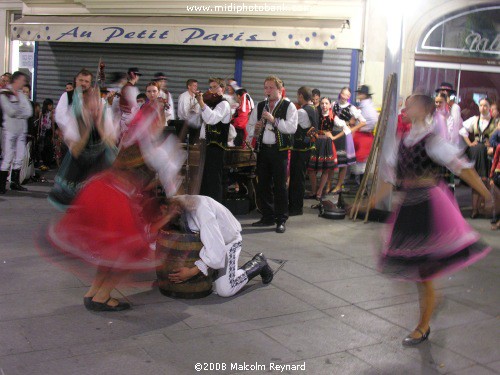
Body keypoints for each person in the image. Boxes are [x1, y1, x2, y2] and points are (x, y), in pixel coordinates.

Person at [46, 98, 185, 312]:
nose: (161, 121)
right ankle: (102, 296)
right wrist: (179, 198)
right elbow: (168, 178)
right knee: (129, 250)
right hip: (116, 197)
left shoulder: (133, 136)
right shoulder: (153, 145)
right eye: (159, 117)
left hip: (102, 189)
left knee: (113, 248)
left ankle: (94, 292)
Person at [376, 94, 492, 347]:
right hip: (409, 206)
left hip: (429, 205)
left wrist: (485, 192)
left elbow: (461, 167)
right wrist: (370, 201)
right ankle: (429, 307)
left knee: (424, 270)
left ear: (425, 110)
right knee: (419, 270)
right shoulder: (403, 142)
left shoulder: (432, 140)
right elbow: (389, 175)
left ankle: (423, 325)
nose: (406, 108)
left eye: (412, 104)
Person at [166, 195, 274, 297]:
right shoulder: (174, 204)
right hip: (209, 244)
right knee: (212, 279)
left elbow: (216, 250)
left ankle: (259, 263)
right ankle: (214, 272)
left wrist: (191, 272)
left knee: (225, 289)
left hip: (228, 241)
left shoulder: (201, 211)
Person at [49, 68, 119, 209]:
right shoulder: (68, 97)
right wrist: (80, 125)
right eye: (81, 80)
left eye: (87, 81)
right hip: (78, 149)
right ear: (76, 80)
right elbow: (61, 117)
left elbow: (111, 141)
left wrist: (98, 123)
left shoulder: (102, 108)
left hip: (99, 160)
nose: (83, 83)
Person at [247, 75, 298, 233]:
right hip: (263, 150)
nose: (267, 91)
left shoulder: (289, 106)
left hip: (279, 151)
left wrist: (273, 120)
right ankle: (267, 216)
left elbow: (291, 128)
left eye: (271, 88)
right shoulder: (260, 105)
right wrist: (255, 130)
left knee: (280, 186)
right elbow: (249, 127)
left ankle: (281, 219)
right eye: (266, 88)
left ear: (279, 89)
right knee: (263, 185)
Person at [460, 98, 496, 218]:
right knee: (476, 181)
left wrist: (493, 145)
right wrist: (470, 143)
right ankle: (475, 209)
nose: (482, 108)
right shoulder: (474, 120)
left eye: (485, 105)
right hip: (476, 151)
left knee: (486, 182)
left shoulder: (495, 122)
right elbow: (462, 131)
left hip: (488, 153)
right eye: (481, 105)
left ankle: (482, 207)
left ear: (489, 107)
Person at [196, 77, 231, 202]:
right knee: (205, 180)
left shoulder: (224, 104)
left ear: (222, 88)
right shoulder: (211, 103)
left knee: (214, 181)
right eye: (210, 87)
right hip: (206, 145)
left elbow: (212, 118)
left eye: (215, 87)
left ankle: (216, 209)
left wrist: (201, 103)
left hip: (216, 147)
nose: (211, 90)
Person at [0, 71, 32, 194]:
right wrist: (21, 112)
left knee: (20, 156)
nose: (24, 83)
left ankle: (15, 182)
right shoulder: (4, 94)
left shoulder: (21, 95)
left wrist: (19, 112)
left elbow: (29, 112)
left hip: (21, 130)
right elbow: (9, 111)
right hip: (9, 129)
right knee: (8, 156)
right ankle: (2, 185)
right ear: (17, 80)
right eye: (23, 80)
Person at [289, 86, 318, 215]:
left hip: (300, 149)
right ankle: (296, 206)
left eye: (298, 96)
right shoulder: (313, 109)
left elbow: (291, 127)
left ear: (301, 96)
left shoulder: (301, 112)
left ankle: (295, 207)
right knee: (299, 177)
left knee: (297, 178)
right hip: (307, 148)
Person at [307, 97, 338, 199]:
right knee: (311, 169)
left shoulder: (333, 117)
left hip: (326, 144)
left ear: (330, 105)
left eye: (326, 103)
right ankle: (314, 190)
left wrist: (334, 137)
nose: (324, 105)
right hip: (315, 142)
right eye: (322, 103)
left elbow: (346, 129)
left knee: (325, 170)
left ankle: (319, 191)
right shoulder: (316, 114)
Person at [331, 87, 359, 193]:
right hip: (334, 133)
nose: (344, 96)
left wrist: (351, 129)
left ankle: (339, 185)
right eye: (343, 94)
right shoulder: (334, 104)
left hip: (344, 135)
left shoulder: (352, 108)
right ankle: (329, 184)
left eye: (346, 95)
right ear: (340, 94)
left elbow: (361, 121)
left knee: (343, 162)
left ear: (349, 97)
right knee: (332, 160)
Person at [352, 85, 377, 180]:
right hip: (360, 134)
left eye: (360, 93)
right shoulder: (363, 105)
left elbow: (373, 120)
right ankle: (358, 180)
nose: (358, 94)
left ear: (365, 95)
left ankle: (361, 183)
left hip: (364, 135)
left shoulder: (367, 107)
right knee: (358, 161)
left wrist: (361, 127)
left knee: (361, 162)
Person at [119, 67, 141, 137]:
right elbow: (134, 106)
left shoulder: (125, 87)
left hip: (125, 118)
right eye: (138, 76)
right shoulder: (130, 88)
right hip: (128, 119)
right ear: (135, 76)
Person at [37, 98, 55, 171]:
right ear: (46, 105)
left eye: (52, 105)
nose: (51, 106)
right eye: (50, 105)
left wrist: (53, 135)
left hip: (49, 132)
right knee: (42, 148)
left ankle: (48, 164)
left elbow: (53, 124)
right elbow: (39, 124)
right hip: (42, 132)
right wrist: (38, 133)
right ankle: (44, 163)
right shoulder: (41, 113)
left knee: (49, 148)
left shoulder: (51, 113)